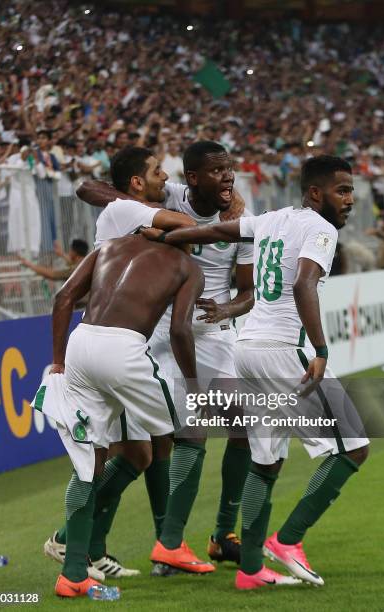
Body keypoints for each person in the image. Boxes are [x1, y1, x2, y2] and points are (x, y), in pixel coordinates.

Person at [142, 155, 370, 590]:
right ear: (316, 193)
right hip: (284, 351)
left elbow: (216, 230)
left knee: (266, 462)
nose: (350, 200)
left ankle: (249, 570)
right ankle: (288, 541)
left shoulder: (273, 219)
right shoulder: (319, 230)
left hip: (246, 350)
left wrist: (169, 235)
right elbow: (305, 284)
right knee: (352, 449)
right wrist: (320, 348)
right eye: (342, 190)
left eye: (351, 191)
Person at [73, 141, 254, 575]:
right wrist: (136, 208)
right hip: (156, 331)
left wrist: (227, 308)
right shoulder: (166, 196)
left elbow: (247, 292)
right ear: (192, 178)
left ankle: (221, 535)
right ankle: (149, 545)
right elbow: (90, 187)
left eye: (230, 170)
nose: (228, 177)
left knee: (242, 427)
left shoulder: (243, 221)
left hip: (212, 334)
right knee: (150, 445)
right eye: (218, 171)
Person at [43, 145, 198, 580]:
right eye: (156, 171)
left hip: (107, 342)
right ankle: (147, 546)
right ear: (134, 183)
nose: (165, 177)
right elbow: (87, 186)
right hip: (122, 343)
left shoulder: (135, 209)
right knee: (169, 438)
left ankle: (87, 552)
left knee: (136, 452)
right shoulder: (124, 214)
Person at [18, 239, 89, 281]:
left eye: (70, 250)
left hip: (83, 305)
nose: (69, 252)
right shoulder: (87, 263)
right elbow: (72, 262)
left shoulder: (76, 270)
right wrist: (62, 254)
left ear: (74, 252)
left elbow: (53, 274)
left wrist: (30, 265)